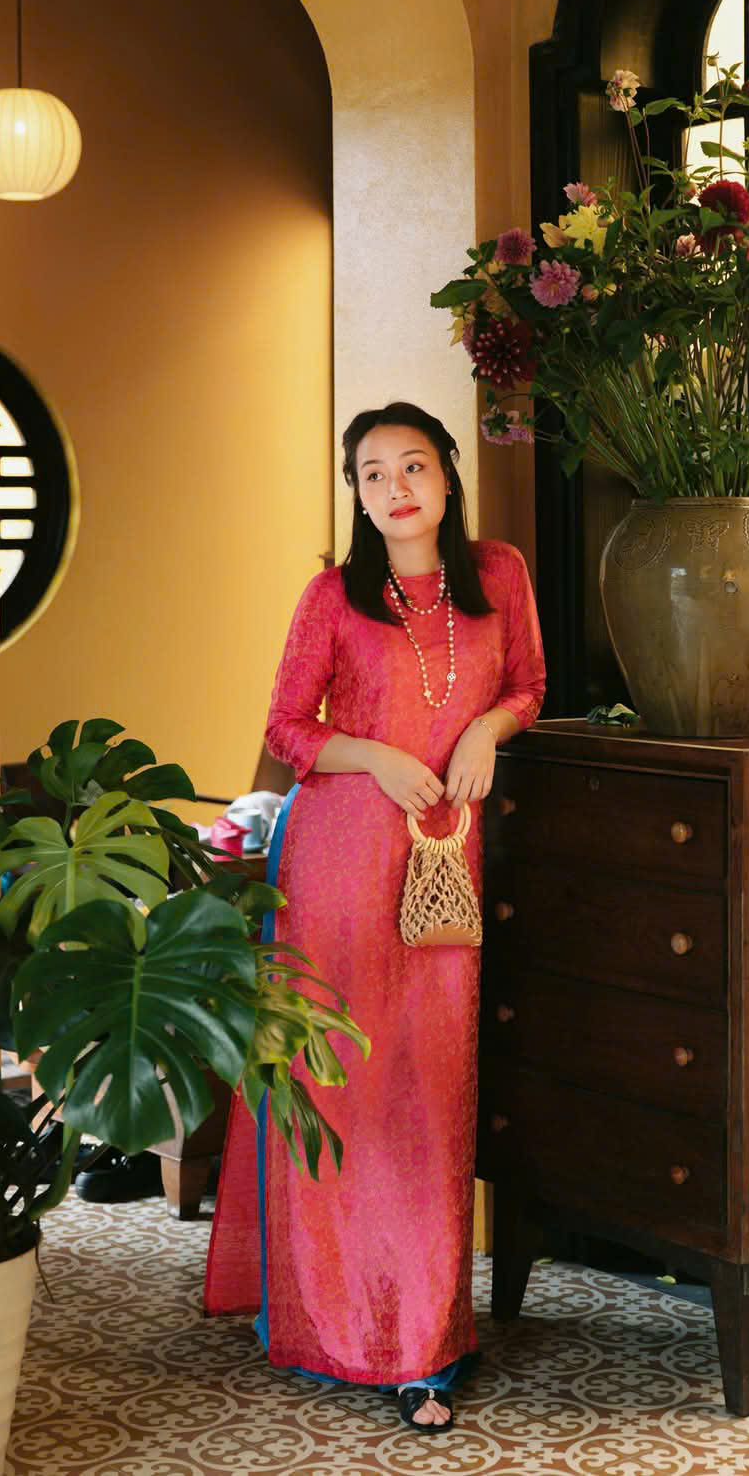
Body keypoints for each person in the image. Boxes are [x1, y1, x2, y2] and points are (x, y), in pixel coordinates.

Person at [204, 401, 546, 1433]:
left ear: (448, 475)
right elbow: (285, 727)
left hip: (443, 859)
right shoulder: (333, 596)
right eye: (372, 473)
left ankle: (423, 1338)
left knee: (427, 1088)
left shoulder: (500, 575)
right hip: (339, 862)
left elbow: (529, 683)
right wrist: (380, 759)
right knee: (344, 1088)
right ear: (355, 494)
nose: (396, 488)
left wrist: (487, 729)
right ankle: (340, 1325)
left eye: (413, 466)